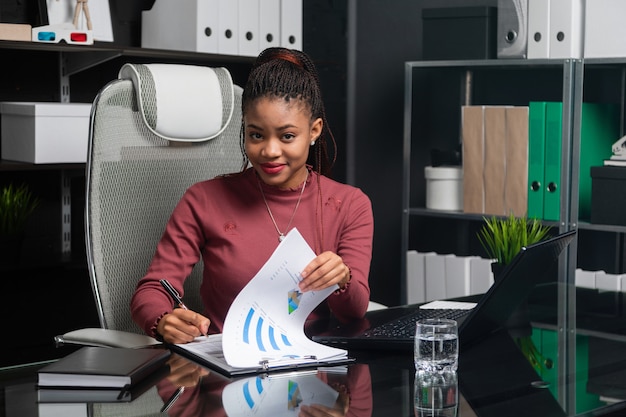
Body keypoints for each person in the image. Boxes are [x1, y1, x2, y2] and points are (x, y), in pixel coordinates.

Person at [130, 47, 374, 344]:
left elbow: (355, 311)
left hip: (315, 369)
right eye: (256, 135)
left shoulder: (351, 205)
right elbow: (153, 288)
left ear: (314, 131)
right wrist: (163, 320)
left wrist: (342, 279)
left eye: (287, 136)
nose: (270, 151)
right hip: (228, 369)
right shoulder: (203, 200)